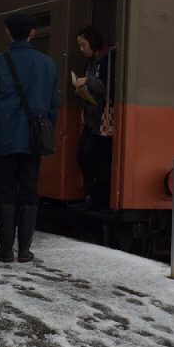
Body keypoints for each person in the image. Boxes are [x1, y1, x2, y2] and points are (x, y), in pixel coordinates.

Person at [0, 12, 59, 263]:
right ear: (33, 33)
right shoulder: (49, 65)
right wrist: (46, 133)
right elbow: (52, 107)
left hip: (4, 137)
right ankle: (25, 250)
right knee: (29, 191)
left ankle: (5, 250)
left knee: (5, 191)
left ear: (9, 33)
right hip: (34, 139)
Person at [73, 26, 116, 209]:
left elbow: (109, 89)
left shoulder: (108, 60)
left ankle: (101, 197)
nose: (81, 49)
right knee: (82, 155)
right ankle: (93, 194)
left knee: (92, 156)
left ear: (92, 42)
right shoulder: (90, 62)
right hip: (91, 118)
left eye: (83, 45)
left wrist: (87, 81)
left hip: (102, 119)